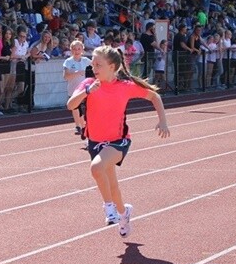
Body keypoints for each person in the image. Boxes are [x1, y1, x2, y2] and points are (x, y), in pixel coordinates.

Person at [66, 45, 169, 238]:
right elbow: (71, 104)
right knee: (112, 186)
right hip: (94, 142)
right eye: (93, 64)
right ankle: (123, 213)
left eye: (99, 65)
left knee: (96, 169)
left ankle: (109, 208)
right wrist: (87, 91)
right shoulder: (88, 83)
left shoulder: (125, 87)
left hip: (117, 141)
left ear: (113, 67)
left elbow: (154, 96)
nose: (94, 68)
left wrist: (162, 121)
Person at [62, 40, 92, 136]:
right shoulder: (68, 62)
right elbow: (65, 76)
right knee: (75, 107)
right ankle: (78, 125)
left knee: (86, 107)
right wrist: (77, 73)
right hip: (73, 88)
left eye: (79, 49)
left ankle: (84, 126)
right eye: (74, 49)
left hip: (84, 88)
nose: (77, 51)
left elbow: (95, 65)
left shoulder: (85, 60)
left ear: (82, 50)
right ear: (71, 50)